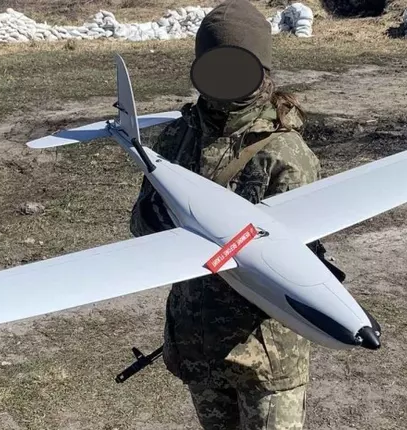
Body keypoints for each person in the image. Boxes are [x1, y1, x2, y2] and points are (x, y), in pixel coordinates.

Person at [128, 0, 330, 428]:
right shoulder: (177, 139)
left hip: (267, 356)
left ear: (260, 67)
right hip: (197, 343)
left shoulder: (285, 153)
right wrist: (161, 220)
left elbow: (296, 263)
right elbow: (141, 226)